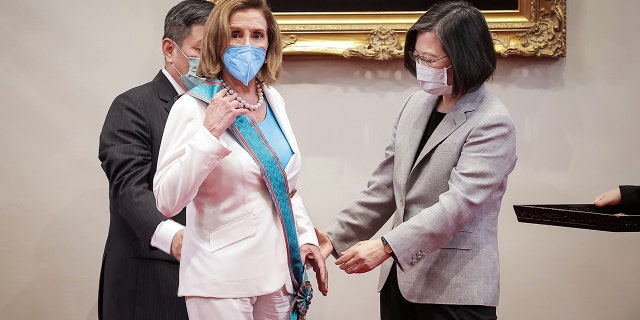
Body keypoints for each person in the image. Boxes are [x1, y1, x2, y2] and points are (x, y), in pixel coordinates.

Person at [315, 2, 517, 320]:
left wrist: (385, 246)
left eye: (430, 59)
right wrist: (334, 236)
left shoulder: (492, 121)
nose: (421, 66)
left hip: (454, 290)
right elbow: (385, 185)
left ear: (465, 58)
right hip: (401, 283)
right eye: (417, 57)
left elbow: (458, 205)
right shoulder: (417, 103)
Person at [152, 0, 328, 319]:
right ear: (218, 40)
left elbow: (284, 186)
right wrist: (209, 134)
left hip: (278, 275)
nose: (248, 45)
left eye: (257, 35)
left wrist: (305, 238)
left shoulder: (273, 100)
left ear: (269, 43)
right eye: (235, 34)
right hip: (220, 278)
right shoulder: (192, 108)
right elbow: (167, 200)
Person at [97, 1, 214, 319]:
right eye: (203, 49)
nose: (213, 63)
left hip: (219, 281)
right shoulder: (133, 105)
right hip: (153, 278)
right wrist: (173, 237)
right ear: (169, 48)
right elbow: (128, 188)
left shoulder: (224, 108)